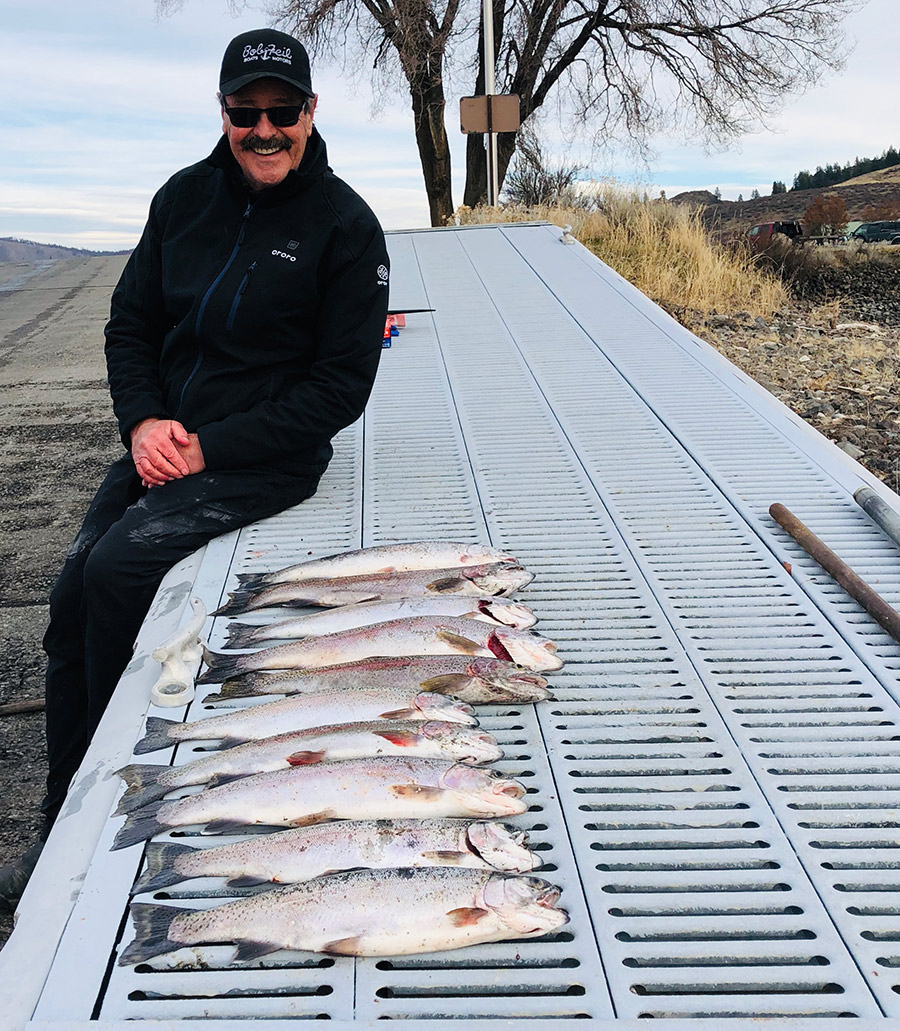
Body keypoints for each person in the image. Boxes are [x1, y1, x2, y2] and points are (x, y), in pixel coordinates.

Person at [0, 27, 389, 911]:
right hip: (163, 439)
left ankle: (122, 816)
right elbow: (129, 325)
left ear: (310, 113)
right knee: (69, 602)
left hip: (263, 457)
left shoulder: (346, 226)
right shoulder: (182, 200)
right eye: (245, 112)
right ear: (222, 113)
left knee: (118, 571)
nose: (263, 130)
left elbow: (339, 388)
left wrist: (207, 446)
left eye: (281, 112)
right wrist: (142, 422)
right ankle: (66, 821)